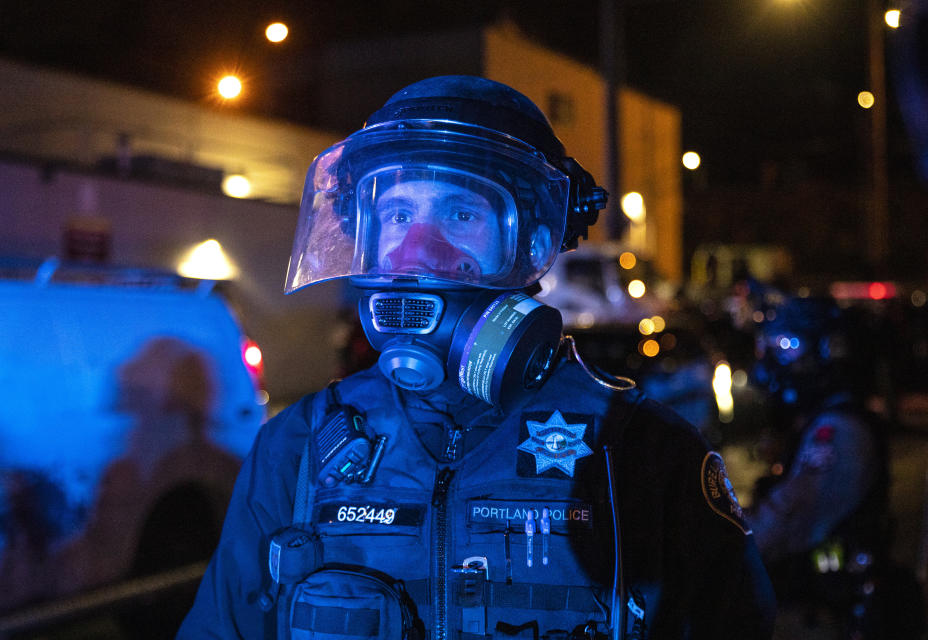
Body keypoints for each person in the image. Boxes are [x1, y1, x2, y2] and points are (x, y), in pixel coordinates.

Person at [178, 75, 775, 640]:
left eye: (459, 214)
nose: (416, 251)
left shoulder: (641, 452)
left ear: (534, 244)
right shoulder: (301, 445)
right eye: (396, 214)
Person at [747, 296, 921, 637]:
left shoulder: (839, 430)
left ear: (830, 352)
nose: (778, 358)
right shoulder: (824, 421)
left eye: (789, 345)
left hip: (827, 618)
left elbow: (790, 516)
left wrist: (723, 542)